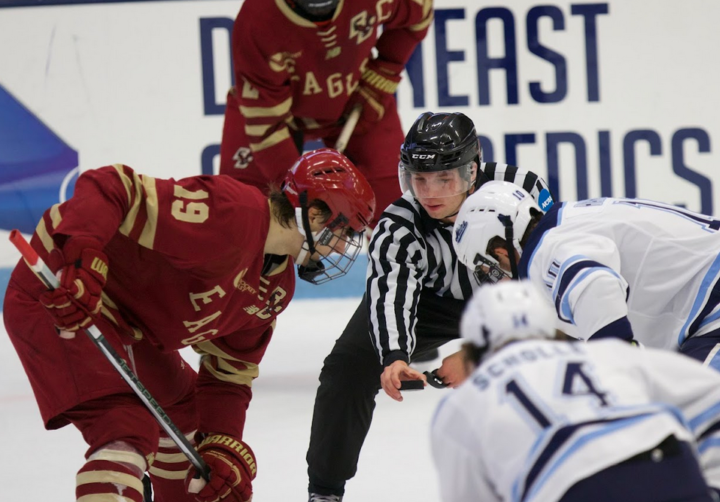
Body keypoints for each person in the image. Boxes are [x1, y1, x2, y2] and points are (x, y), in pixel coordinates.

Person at [2, 149, 375, 502]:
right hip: (61, 290)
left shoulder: (277, 288)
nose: (344, 248)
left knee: (188, 425)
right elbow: (111, 186)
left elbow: (230, 373)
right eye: (345, 231)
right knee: (125, 426)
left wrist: (222, 445)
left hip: (129, 325)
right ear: (313, 215)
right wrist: (81, 259)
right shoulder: (232, 213)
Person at [304, 112, 554, 501]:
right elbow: (391, 291)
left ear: (472, 172)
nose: (430, 192)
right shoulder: (399, 226)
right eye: (418, 179)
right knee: (347, 370)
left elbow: (548, 277)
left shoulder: (521, 189)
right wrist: (394, 355)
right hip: (433, 303)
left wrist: (479, 354)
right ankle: (324, 491)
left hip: (510, 291)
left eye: (444, 178)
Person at [431, 280, 720, 502]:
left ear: (473, 350)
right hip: (670, 464)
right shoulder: (606, 353)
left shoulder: (462, 403)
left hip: (571, 489)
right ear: (553, 331)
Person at [452, 181, 720, 398]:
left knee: (681, 429)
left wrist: (620, 365)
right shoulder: (566, 221)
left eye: (488, 269)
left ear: (500, 250)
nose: (499, 279)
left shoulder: (548, 250)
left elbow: (594, 283)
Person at [220, 0, 433, 224]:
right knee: (245, 219)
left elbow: (420, 11)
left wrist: (383, 73)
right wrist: (304, 195)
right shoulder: (257, 20)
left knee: (399, 216)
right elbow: (266, 126)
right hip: (269, 113)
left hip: (355, 96)